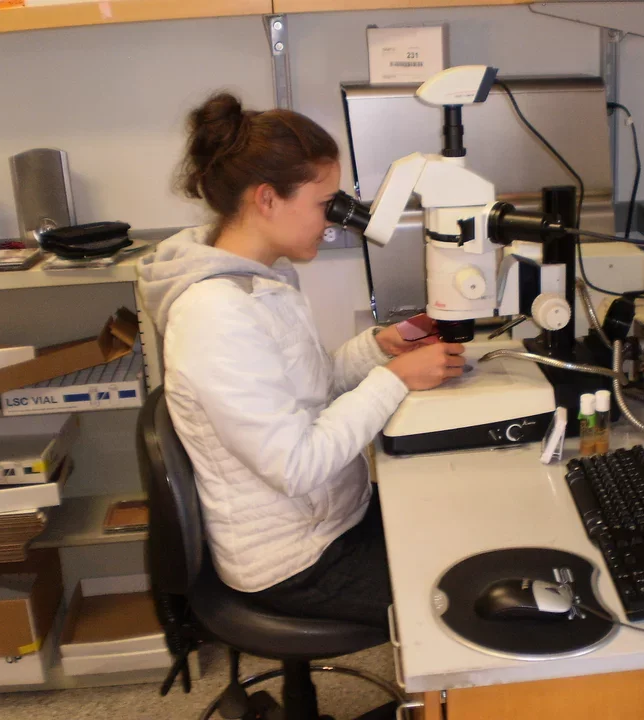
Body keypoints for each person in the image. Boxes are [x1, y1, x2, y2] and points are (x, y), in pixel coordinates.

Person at [138, 92, 466, 630]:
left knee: (462, 525)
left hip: (333, 516)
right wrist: (392, 382)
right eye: (325, 203)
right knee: (466, 597)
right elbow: (294, 465)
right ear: (267, 199)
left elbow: (311, 390)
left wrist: (380, 349)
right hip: (296, 561)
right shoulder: (214, 314)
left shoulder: (258, 281)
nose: (335, 222)